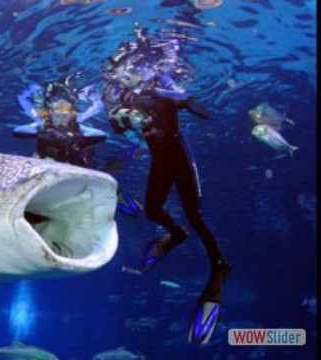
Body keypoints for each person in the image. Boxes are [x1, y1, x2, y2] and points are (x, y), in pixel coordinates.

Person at [103, 30, 231, 344]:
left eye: (132, 69)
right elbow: (118, 129)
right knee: (153, 212)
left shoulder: (161, 88)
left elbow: (199, 109)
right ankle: (177, 234)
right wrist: (117, 115)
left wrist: (179, 96)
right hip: (160, 160)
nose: (128, 76)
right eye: (123, 73)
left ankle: (219, 268)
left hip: (180, 158)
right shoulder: (124, 98)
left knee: (196, 215)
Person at [12, 78, 143, 217]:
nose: (62, 115)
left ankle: (121, 195)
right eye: (57, 110)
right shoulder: (42, 125)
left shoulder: (79, 127)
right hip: (51, 167)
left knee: (99, 180)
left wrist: (73, 138)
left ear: (72, 114)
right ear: (50, 112)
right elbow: (18, 131)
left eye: (66, 111)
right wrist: (44, 133)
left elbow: (100, 134)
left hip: (81, 166)